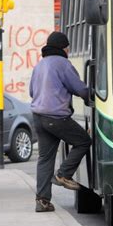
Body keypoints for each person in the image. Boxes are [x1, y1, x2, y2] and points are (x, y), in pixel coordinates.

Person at [29, 31, 91, 213]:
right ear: (64, 48)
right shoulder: (63, 64)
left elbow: (33, 92)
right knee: (83, 141)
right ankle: (64, 174)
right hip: (56, 117)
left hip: (38, 117)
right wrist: (90, 98)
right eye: (68, 47)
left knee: (45, 158)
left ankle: (42, 201)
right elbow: (80, 88)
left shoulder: (39, 65)